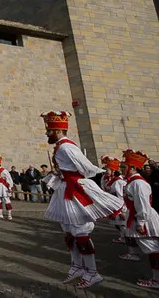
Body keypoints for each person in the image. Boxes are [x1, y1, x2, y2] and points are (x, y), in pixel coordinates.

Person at [40, 111, 122, 289]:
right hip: (65, 189)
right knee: (69, 231)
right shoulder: (61, 147)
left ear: (58, 131)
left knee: (80, 232)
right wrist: (60, 174)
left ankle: (92, 272)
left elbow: (87, 168)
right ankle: (77, 266)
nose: (46, 133)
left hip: (73, 189)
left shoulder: (66, 147)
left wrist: (73, 177)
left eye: (49, 130)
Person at [120, 149, 159, 289]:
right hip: (141, 217)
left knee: (153, 249)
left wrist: (141, 222)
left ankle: (156, 280)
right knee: (153, 249)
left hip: (145, 218)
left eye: (124, 167)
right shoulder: (133, 182)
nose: (121, 169)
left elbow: (143, 204)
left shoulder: (138, 183)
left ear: (133, 168)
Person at [100, 157, 128, 245]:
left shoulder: (118, 181)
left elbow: (121, 196)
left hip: (120, 206)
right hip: (112, 204)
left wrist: (123, 210)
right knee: (117, 224)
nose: (105, 170)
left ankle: (126, 238)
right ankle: (124, 237)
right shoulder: (106, 178)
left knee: (122, 223)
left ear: (112, 170)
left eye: (107, 168)